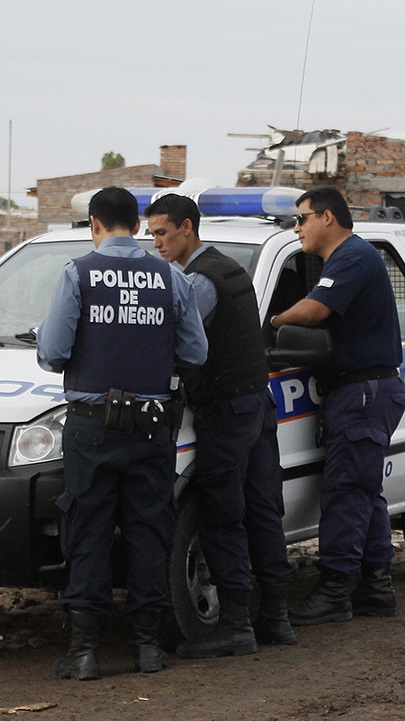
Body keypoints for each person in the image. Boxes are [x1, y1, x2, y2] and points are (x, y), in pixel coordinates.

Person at [36, 186, 207, 680]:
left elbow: (52, 353)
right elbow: (195, 354)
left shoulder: (77, 274)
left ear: (94, 224)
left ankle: (85, 652)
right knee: (149, 531)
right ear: (136, 225)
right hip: (153, 428)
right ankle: (148, 648)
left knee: (87, 531)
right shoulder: (172, 277)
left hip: (92, 428)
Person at [144, 194, 295, 657]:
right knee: (262, 508)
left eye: (162, 233)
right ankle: (275, 617)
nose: (156, 243)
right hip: (253, 404)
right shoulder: (228, 269)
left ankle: (235, 624)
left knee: (222, 513)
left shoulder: (199, 282)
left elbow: (175, 342)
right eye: (151, 235)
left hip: (225, 411)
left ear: (187, 228)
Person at [270, 187, 405, 625]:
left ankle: (334, 591)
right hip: (364, 390)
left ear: (327, 218)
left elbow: (314, 311)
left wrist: (270, 322)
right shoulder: (349, 258)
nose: (297, 229)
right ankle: (376, 586)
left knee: (346, 492)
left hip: (362, 393)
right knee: (364, 492)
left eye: (302, 219)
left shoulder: (352, 256)